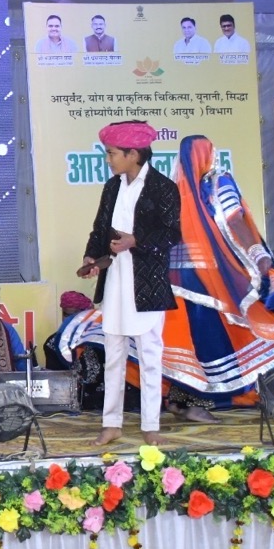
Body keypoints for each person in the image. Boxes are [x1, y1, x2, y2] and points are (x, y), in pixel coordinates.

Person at [60, 135, 274, 415]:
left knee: (185, 353)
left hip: (175, 286)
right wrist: (259, 257)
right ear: (208, 156)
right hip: (214, 285)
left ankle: (185, 403)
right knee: (224, 346)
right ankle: (200, 403)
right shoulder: (217, 183)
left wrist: (103, 261)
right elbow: (235, 220)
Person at [79, 120, 181, 446]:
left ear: (133, 154)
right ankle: (112, 424)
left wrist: (136, 240)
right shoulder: (112, 187)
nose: (108, 160)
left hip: (147, 282)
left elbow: (172, 234)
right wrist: (92, 258)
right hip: (115, 279)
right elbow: (100, 229)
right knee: (113, 355)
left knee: (150, 355)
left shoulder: (163, 188)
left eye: (112, 154)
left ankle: (151, 425)